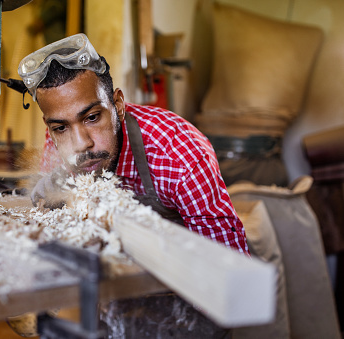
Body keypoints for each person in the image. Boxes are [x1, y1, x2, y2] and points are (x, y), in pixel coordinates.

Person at [18, 33, 248, 338]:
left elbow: (231, 276)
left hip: (185, 312)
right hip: (112, 307)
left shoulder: (180, 153)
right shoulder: (59, 141)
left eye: (91, 117)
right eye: (60, 127)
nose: (80, 145)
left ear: (118, 105)